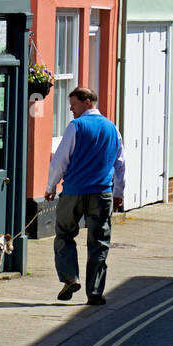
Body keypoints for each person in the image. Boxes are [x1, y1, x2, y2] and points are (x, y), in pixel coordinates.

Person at [45, 87, 125, 305]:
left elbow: (60, 160)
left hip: (73, 192)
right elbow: (120, 164)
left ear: (87, 101)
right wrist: (119, 192)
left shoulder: (76, 127)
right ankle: (95, 292)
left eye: (73, 104)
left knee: (64, 235)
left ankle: (70, 277)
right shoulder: (112, 128)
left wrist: (51, 186)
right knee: (99, 242)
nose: (71, 109)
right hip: (101, 193)